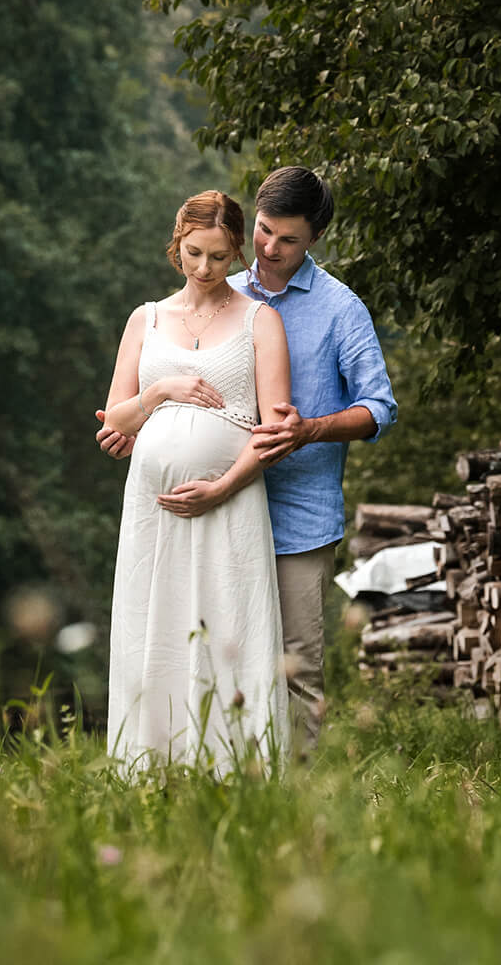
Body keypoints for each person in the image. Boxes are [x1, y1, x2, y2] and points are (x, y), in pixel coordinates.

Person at [98, 167, 395, 747]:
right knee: (191, 651)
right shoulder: (209, 291)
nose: (270, 249)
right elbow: (132, 400)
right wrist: (147, 416)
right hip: (187, 512)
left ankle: (287, 804)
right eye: (263, 233)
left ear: (312, 240)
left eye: (288, 240)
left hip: (294, 513)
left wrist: (309, 429)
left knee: (293, 666)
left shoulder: (338, 309)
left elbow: (378, 408)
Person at [98, 190, 291, 772]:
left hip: (229, 502)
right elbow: (115, 419)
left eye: (220, 256)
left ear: (237, 252)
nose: (205, 269)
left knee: (229, 621)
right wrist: (162, 391)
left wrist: (224, 486)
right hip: (153, 508)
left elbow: (276, 428)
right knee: (154, 624)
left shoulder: (262, 320)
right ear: (176, 245)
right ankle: (150, 764)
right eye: (193, 253)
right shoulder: (147, 319)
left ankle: (239, 769)